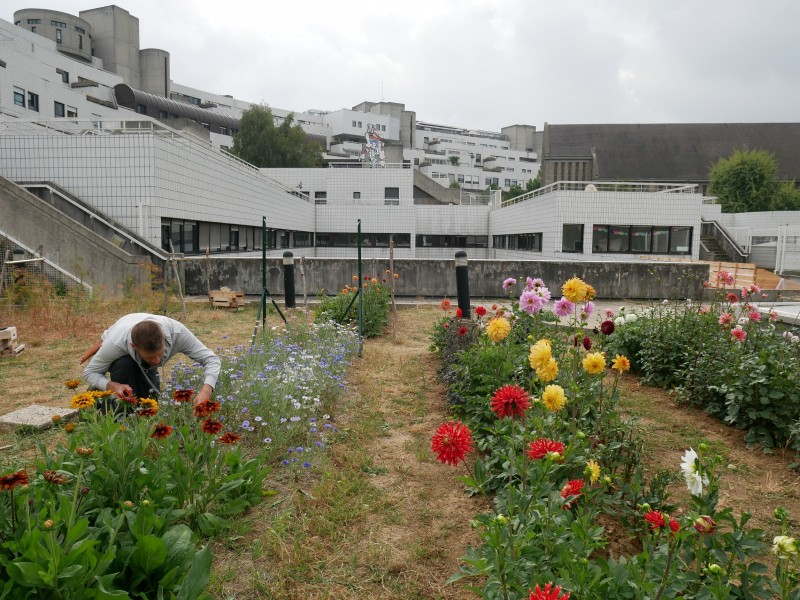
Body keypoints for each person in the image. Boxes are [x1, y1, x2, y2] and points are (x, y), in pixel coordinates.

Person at [82, 313, 220, 407]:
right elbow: (89, 373)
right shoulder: (115, 343)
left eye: (160, 354)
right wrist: (113, 386)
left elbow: (211, 359)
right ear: (134, 346)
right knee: (126, 365)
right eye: (150, 357)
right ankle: (106, 405)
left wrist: (206, 390)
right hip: (118, 336)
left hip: (137, 324)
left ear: (164, 340)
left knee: (149, 402)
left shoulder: (177, 333)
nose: (157, 360)